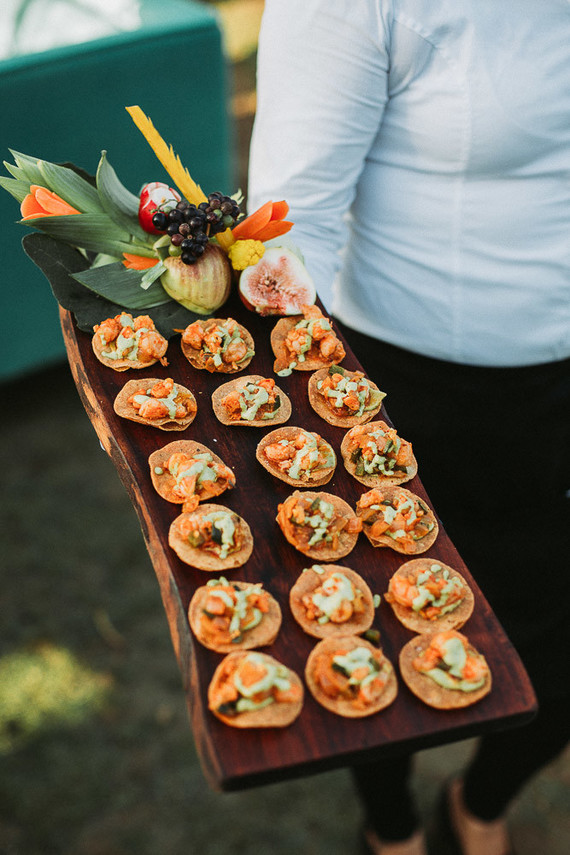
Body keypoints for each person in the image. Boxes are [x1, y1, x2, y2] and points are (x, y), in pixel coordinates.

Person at [247, 2, 570, 854]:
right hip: (411, 395)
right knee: (380, 635)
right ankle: (391, 827)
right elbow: (292, 224)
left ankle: (481, 803)